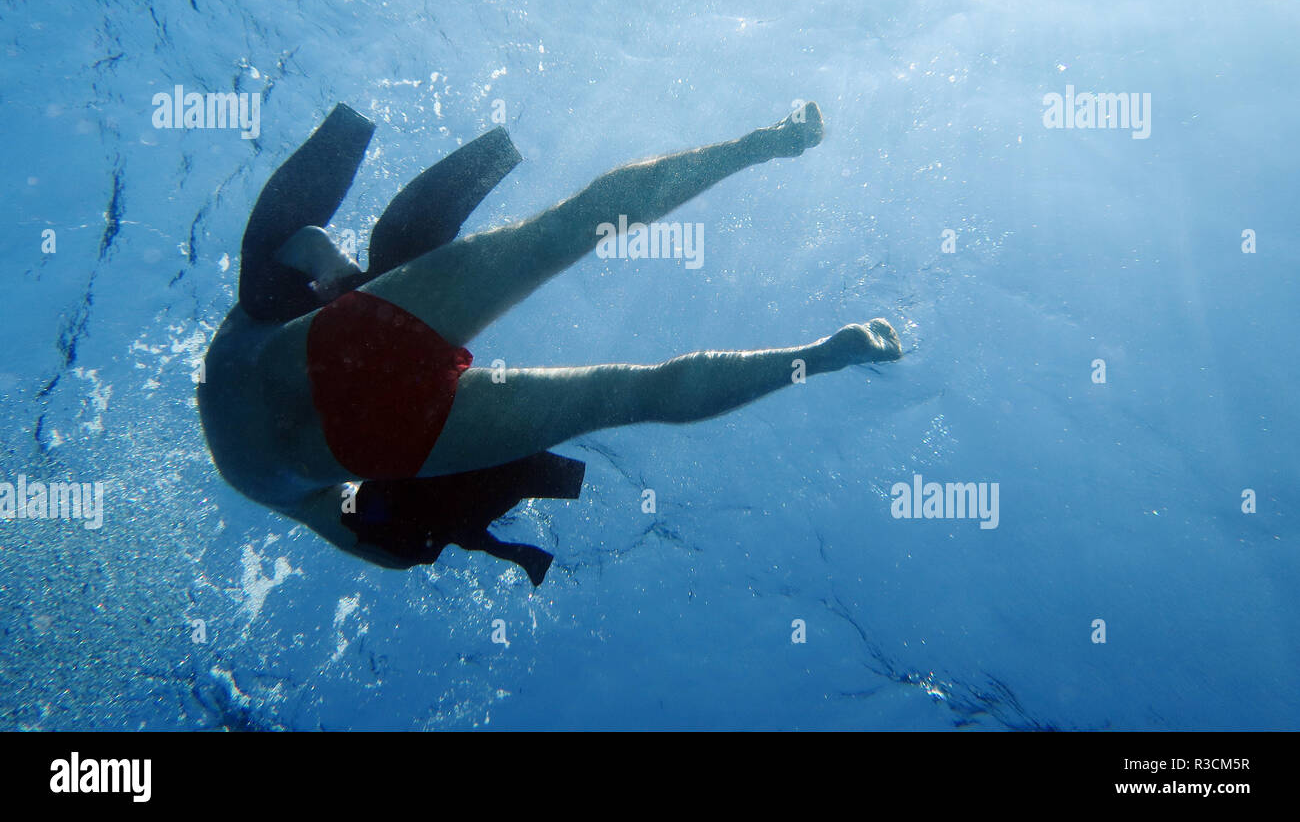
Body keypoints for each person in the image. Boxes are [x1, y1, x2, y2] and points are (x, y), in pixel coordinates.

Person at [199, 101, 902, 585]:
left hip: (385, 441)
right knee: (575, 224)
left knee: (628, 393)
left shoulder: (271, 490)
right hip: (346, 338)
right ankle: (763, 142)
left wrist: (438, 520)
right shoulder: (228, 343)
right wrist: (344, 278)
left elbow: (374, 547)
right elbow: (300, 245)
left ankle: (831, 352)